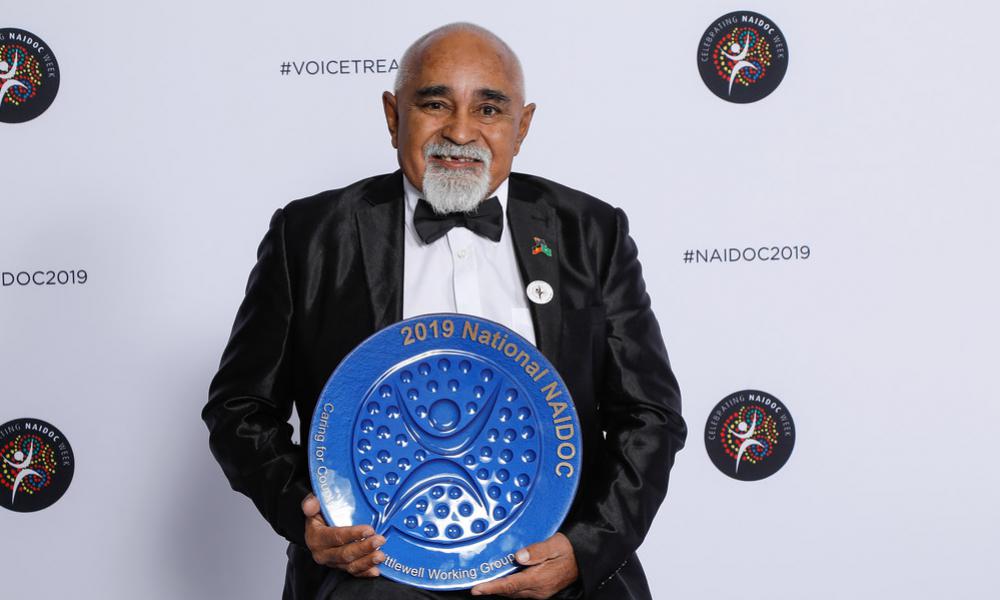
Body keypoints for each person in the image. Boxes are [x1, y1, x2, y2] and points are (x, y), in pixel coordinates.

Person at [203, 22, 686, 600]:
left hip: (554, 573)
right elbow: (239, 409)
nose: (461, 131)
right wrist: (308, 516)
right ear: (392, 115)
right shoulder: (309, 235)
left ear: (522, 126)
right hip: (373, 578)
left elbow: (649, 415)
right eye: (435, 103)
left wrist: (586, 548)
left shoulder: (590, 231)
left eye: (489, 109)